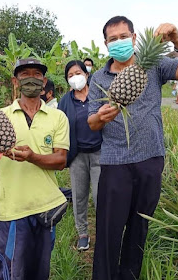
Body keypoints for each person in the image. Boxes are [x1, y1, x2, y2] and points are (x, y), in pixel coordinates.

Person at [87, 16, 178, 280]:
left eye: (123, 36)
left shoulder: (154, 66)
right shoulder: (98, 78)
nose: (119, 42)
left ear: (135, 38)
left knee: (139, 228)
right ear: (106, 44)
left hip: (150, 159)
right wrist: (100, 117)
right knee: (108, 230)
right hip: (115, 162)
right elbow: (91, 122)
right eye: (113, 39)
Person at [0, 58, 70, 280]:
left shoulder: (58, 117)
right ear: (15, 81)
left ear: (44, 81)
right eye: (25, 74)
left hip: (45, 210)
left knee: (40, 274)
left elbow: (61, 160)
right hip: (11, 212)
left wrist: (32, 157)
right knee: (11, 274)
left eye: (37, 74)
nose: (31, 78)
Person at [58, 60, 102, 251]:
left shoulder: (98, 94)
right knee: (79, 195)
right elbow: (58, 125)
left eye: (78, 73)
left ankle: (103, 230)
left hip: (101, 152)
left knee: (101, 195)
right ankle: (82, 232)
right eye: (70, 75)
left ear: (86, 74)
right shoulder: (65, 101)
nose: (75, 77)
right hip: (77, 155)